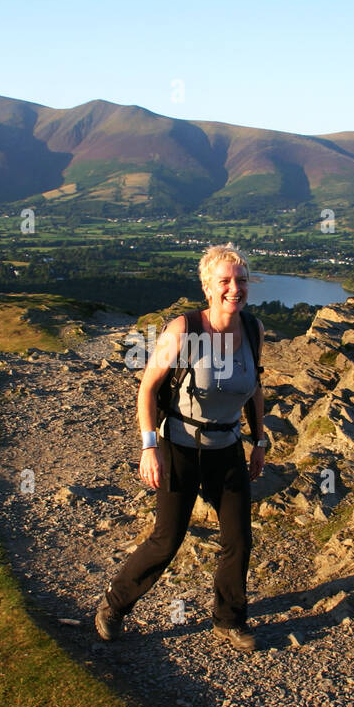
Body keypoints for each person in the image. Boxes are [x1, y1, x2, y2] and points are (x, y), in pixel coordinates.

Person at [95, 244, 268, 652]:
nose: (234, 289)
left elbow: (256, 388)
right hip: (181, 446)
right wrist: (148, 446)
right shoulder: (185, 329)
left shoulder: (253, 328)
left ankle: (228, 620)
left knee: (238, 539)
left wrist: (258, 441)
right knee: (167, 539)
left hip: (227, 446)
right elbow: (149, 387)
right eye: (224, 281)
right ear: (208, 286)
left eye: (240, 281)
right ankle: (114, 604)